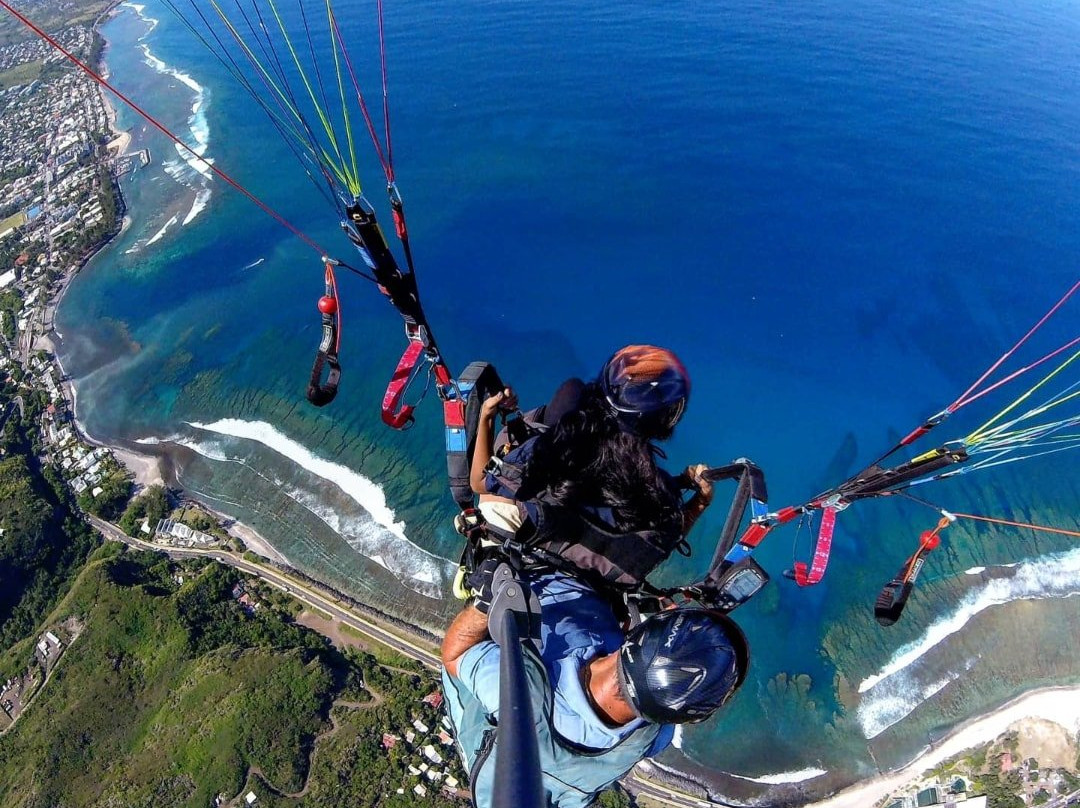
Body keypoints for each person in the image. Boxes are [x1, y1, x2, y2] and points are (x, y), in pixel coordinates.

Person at [442, 345, 747, 806]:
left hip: (534, 579)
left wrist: (490, 598)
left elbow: (456, 653)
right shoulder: (659, 509)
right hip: (591, 581)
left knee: (562, 400)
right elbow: (650, 549)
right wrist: (696, 502)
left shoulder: (529, 694)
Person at [441, 571, 750, 808]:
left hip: (495, 690)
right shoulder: (651, 735)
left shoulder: (523, 694)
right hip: (590, 605)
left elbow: (454, 656)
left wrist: (483, 603)